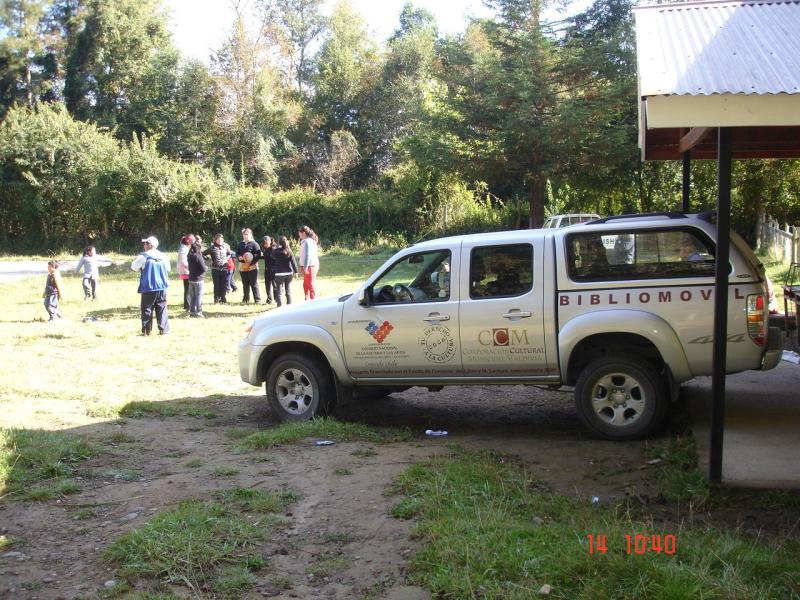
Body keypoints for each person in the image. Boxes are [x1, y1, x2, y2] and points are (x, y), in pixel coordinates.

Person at [131, 236, 170, 336]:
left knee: (147, 309)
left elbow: (133, 267)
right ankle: (164, 330)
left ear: (150, 245)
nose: (144, 245)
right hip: (162, 287)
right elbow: (168, 269)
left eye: (145, 243)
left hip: (148, 287)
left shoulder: (143, 256)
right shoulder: (163, 256)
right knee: (162, 309)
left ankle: (146, 331)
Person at [204, 234, 232, 303]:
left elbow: (229, 254)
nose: (220, 241)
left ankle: (223, 298)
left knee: (223, 284)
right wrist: (208, 259)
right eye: (218, 239)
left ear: (223, 240)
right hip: (215, 269)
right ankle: (216, 299)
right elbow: (202, 253)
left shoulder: (225, 246)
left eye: (221, 239)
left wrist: (227, 259)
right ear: (215, 240)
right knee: (216, 285)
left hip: (224, 268)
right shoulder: (212, 248)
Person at [236, 228, 262, 304]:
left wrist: (252, 262)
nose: (245, 236)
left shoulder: (254, 244)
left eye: (247, 234)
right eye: (244, 234)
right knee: (245, 284)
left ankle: (257, 300)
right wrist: (239, 257)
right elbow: (237, 252)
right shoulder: (241, 244)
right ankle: (245, 299)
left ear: (250, 235)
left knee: (254, 283)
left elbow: (259, 255)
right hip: (243, 267)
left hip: (252, 267)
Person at [272, 235, 298, 307]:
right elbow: (293, 262)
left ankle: (279, 306)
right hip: (289, 273)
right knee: (288, 290)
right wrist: (296, 272)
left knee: (279, 291)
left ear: (279, 243)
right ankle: (289, 305)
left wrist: (276, 247)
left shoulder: (276, 251)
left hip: (279, 273)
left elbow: (272, 256)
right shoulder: (289, 250)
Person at [298, 225, 320, 300]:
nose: (299, 234)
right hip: (307, 266)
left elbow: (308, 255)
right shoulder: (305, 241)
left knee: (310, 284)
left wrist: (305, 267)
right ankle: (306, 300)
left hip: (310, 266)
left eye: (299, 233)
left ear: (303, 233)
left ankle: (313, 302)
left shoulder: (308, 241)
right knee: (305, 285)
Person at [187, 239, 208, 317]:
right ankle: (198, 312)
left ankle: (192, 312)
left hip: (191, 279)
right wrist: (207, 267)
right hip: (198, 279)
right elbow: (203, 268)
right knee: (199, 296)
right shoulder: (198, 256)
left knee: (193, 296)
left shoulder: (190, 256)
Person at [177, 234, 194, 311]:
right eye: (192, 241)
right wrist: (191, 268)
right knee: (188, 289)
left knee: (187, 288)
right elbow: (184, 261)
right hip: (186, 271)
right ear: (188, 241)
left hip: (186, 270)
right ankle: (187, 305)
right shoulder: (183, 249)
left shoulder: (185, 247)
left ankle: (186, 305)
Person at [261, 235, 276, 305]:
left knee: (275, 285)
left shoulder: (273, 249)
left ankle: (277, 299)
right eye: (264, 243)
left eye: (266, 242)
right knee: (267, 286)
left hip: (273, 270)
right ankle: (269, 299)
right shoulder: (265, 249)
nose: (265, 244)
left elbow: (274, 259)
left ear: (270, 241)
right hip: (267, 270)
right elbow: (264, 257)